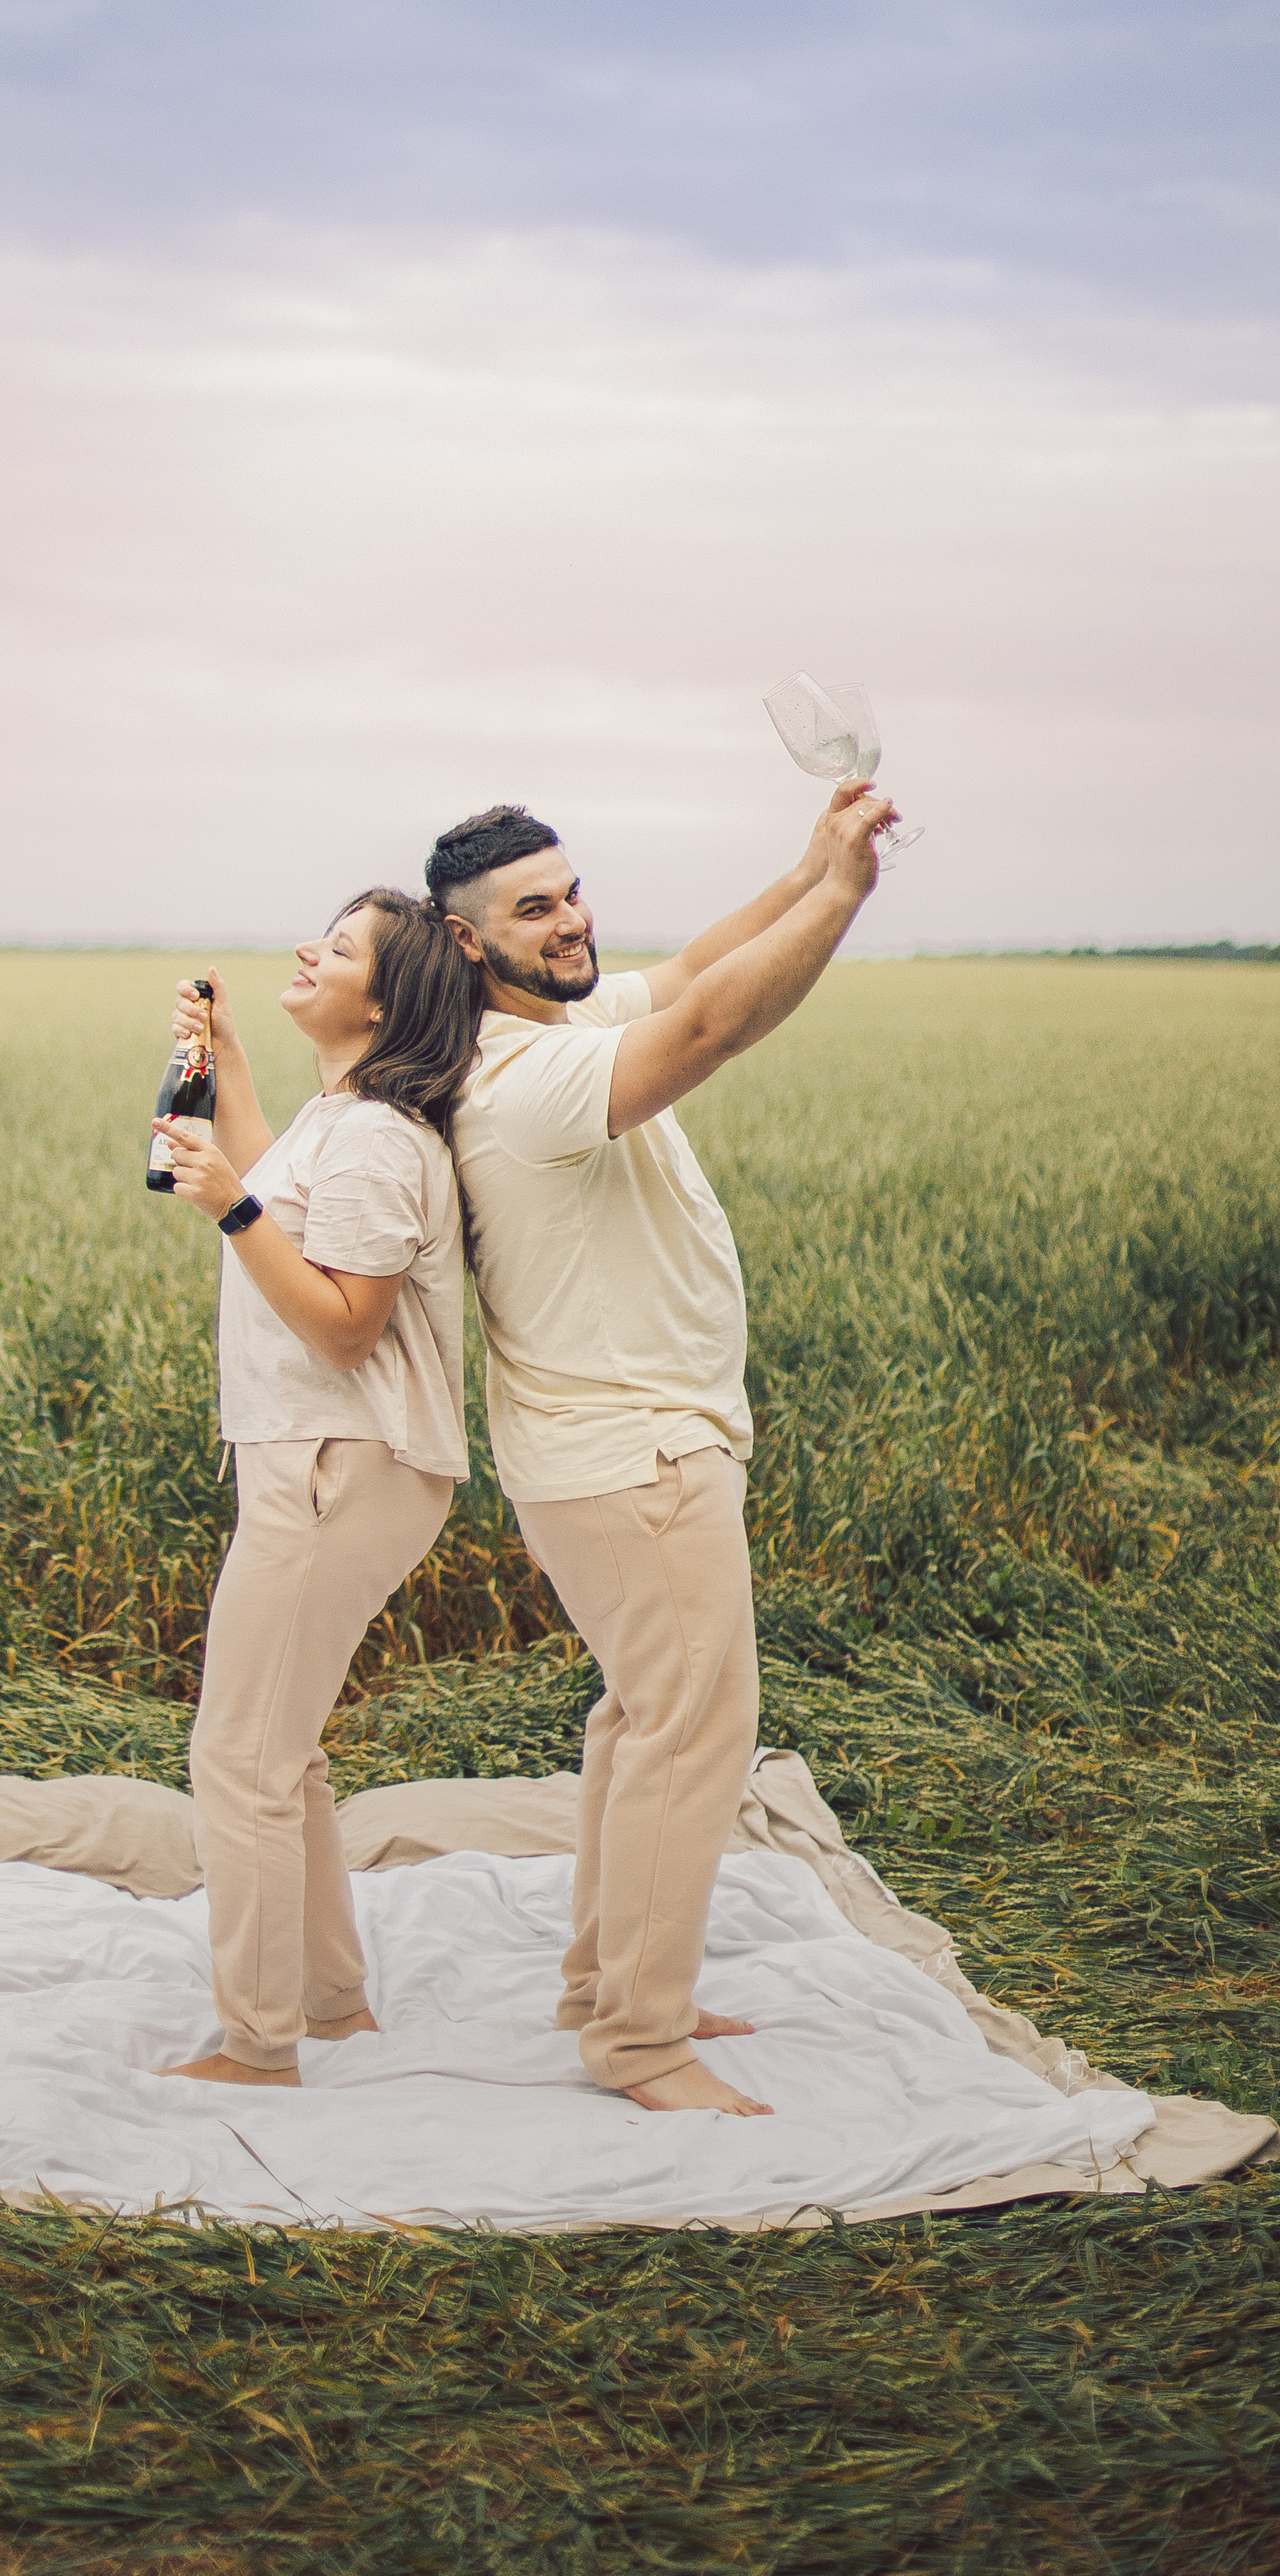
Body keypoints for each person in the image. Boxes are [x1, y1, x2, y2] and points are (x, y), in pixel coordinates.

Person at [427, 780, 897, 2117]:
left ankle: (607, 1989)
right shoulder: (525, 1076)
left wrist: (810, 865)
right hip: (633, 1462)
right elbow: (712, 1016)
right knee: (694, 1731)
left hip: (632, 1451)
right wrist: (850, 902)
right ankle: (637, 2042)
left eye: (571, 891)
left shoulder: (556, 1021)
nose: (571, 922)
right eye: (535, 909)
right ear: (469, 942)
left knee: (645, 1723)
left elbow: (690, 964)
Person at [149, 889, 484, 2088]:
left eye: (338, 950)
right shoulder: (342, 1116)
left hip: (342, 1470)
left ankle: (258, 2046)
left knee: (238, 1756)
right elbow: (274, 1170)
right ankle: (332, 2004)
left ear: (385, 1004)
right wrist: (229, 1059)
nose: (309, 951)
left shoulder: (385, 1141)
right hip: (322, 1466)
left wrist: (228, 1208)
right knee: (281, 1752)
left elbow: (346, 1326)